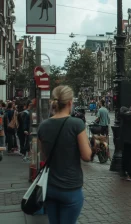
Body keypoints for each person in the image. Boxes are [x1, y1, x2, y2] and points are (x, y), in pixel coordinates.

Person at [38, 86, 91, 224]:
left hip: (50, 187)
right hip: (70, 187)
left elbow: (43, 156)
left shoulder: (43, 126)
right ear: (69, 103)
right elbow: (86, 156)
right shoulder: (76, 124)